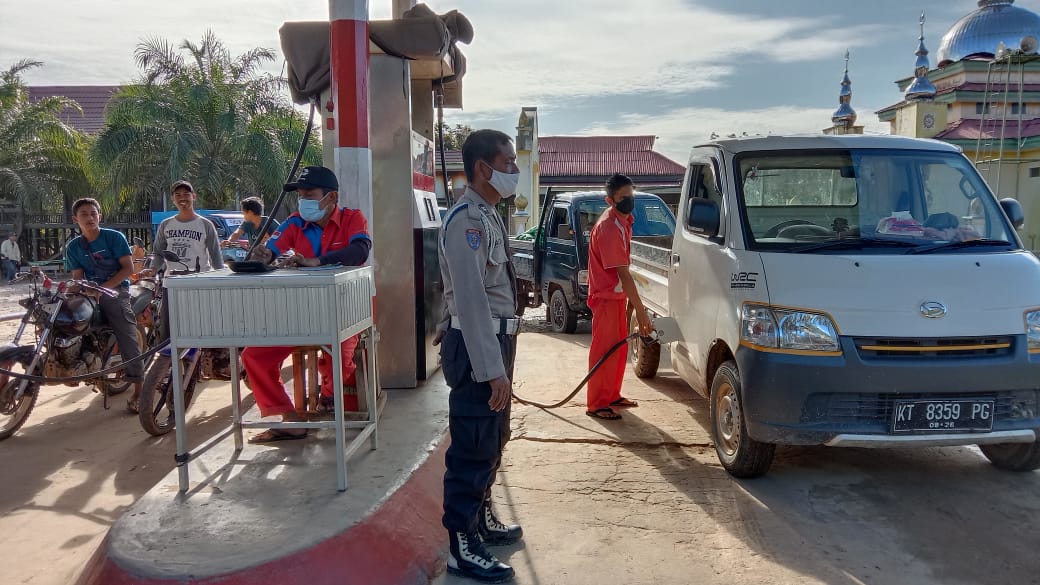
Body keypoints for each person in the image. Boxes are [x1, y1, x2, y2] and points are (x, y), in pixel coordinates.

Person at [437, 129, 523, 583]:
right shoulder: (466, 221)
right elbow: (469, 300)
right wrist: (491, 370)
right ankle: (461, 545)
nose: (514, 169)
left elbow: (465, 289)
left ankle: (481, 518)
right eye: (508, 162)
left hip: (491, 343)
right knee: (472, 446)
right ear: (484, 169)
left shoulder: (487, 215)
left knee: (493, 438)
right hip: (477, 350)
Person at [241, 165, 372, 443]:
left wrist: (318, 260)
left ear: (332, 197)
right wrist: (262, 256)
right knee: (254, 355)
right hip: (301, 311)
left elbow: (360, 251)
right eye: (300, 195)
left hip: (345, 309)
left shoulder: (353, 219)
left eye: (309, 194)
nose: (303, 201)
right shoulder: (294, 222)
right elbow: (272, 249)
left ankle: (328, 395)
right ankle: (289, 419)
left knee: (341, 354)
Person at [585, 174, 653, 421]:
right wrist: (642, 312)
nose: (629, 200)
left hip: (615, 297)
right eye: (623, 197)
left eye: (631, 195)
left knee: (618, 349)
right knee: (604, 350)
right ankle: (596, 403)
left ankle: (611, 395)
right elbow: (623, 274)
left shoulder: (623, 222)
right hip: (605, 297)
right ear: (610, 200)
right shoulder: (609, 228)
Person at [64, 198, 143, 407]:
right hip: (89, 293)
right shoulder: (73, 246)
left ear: (100, 216)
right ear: (75, 219)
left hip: (116, 291)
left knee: (126, 334)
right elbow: (78, 276)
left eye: (93, 213)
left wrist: (104, 289)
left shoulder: (113, 237)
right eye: (84, 214)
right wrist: (73, 289)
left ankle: (139, 390)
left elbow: (128, 269)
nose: (89, 217)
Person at [149, 180, 224, 274]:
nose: (182, 198)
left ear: (194, 196)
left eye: (186, 194)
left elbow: (216, 256)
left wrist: (221, 279)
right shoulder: (165, 224)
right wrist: (152, 269)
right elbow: (158, 253)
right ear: (172, 198)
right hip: (172, 281)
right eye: (178, 195)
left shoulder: (206, 224)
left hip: (198, 280)